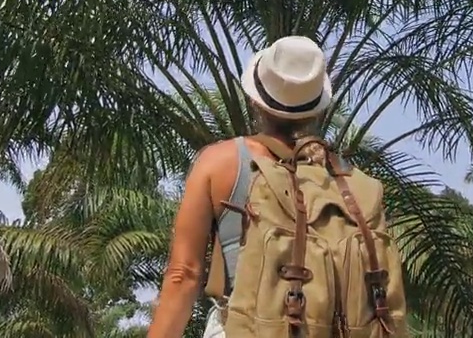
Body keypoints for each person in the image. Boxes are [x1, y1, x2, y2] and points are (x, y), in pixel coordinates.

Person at [147, 36, 405, 338]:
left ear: (255, 101)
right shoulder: (349, 180)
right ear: (317, 110)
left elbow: (185, 275)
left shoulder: (220, 163)